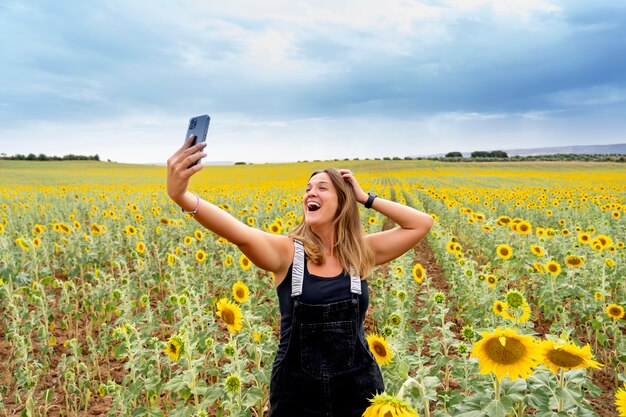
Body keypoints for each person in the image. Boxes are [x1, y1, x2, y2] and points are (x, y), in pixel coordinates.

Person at [167, 137, 434, 417]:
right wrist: (182, 197)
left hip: (358, 392)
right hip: (297, 398)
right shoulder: (287, 253)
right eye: (307, 189)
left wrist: (365, 197)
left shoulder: (361, 252)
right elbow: (239, 232)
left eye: (321, 188)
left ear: (343, 201)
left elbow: (420, 223)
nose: (310, 194)